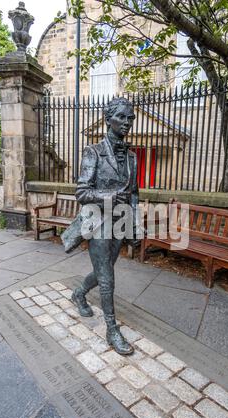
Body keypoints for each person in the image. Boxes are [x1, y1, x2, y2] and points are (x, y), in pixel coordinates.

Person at [71, 97, 140, 355]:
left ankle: (79, 293)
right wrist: (109, 197)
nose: (127, 122)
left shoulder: (132, 156)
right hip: (98, 221)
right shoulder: (93, 152)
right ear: (108, 118)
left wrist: (135, 226)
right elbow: (82, 192)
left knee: (104, 269)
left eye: (130, 118)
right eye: (121, 117)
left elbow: (134, 194)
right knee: (108, 278)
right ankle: (112, 330)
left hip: (119, 223)